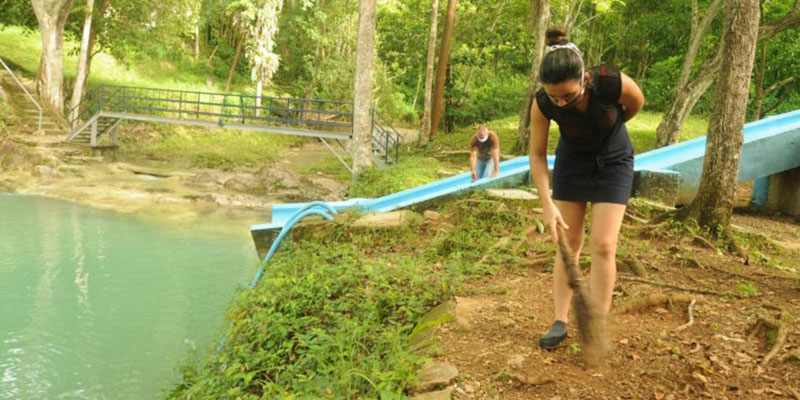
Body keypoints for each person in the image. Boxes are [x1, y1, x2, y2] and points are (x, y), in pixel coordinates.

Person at [528, 27, 645, 350]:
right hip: (573, 161)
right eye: (555, 97)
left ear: (584, 79)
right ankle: (561, 319)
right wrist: (547, 204)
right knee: (570, 243)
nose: (561, 103)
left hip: (614, 158)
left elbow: (636, 104)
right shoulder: (543, 104)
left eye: (569, 95)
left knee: (604, 245)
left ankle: (596, 325)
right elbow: (537, 155)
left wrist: (609, 127)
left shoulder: (610, 82)